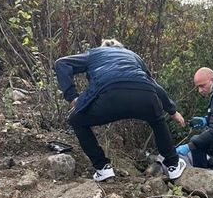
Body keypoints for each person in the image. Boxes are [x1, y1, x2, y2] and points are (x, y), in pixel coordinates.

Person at [54, 39, 187, 182]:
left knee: (77, 120)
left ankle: (103, 168)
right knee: (157, 120)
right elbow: (154, 85)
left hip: (109, 96)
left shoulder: (95, 53)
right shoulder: (133, 56)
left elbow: (62, 63)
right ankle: (173, 165)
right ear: (122, 48)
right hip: (144, 94)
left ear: (103, 48)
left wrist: (72, 97)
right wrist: (172, 111)